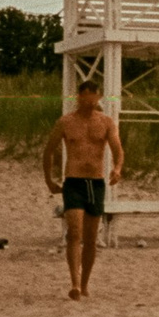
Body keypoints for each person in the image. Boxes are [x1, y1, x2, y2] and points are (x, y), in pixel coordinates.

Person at [41, 80, 124, 300]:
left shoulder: (106, 122)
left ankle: (85, 282)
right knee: (74, 234)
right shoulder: (66, 122)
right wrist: (49, 180)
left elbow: (117, 149)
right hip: (74, 182)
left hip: (95, 183)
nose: (89, 101)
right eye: (85, 97)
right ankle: (75, 283)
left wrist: (117, 168)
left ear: (98, 98)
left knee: (90, 238)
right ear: (78, 97)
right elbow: (48, 151)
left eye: (93, 97)